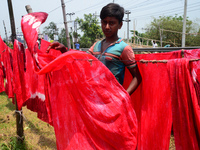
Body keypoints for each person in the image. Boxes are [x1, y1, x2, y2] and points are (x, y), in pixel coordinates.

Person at [47, 3, 141, 95]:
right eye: (104, 22)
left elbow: (137, 77)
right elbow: (81, 60)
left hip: (113, 100)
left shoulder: (124, 48)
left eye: (111, 23)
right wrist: (64, 50)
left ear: (120, 25)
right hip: (94, 98)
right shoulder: (96, 45)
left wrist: (124, 97)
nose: (107, 27)